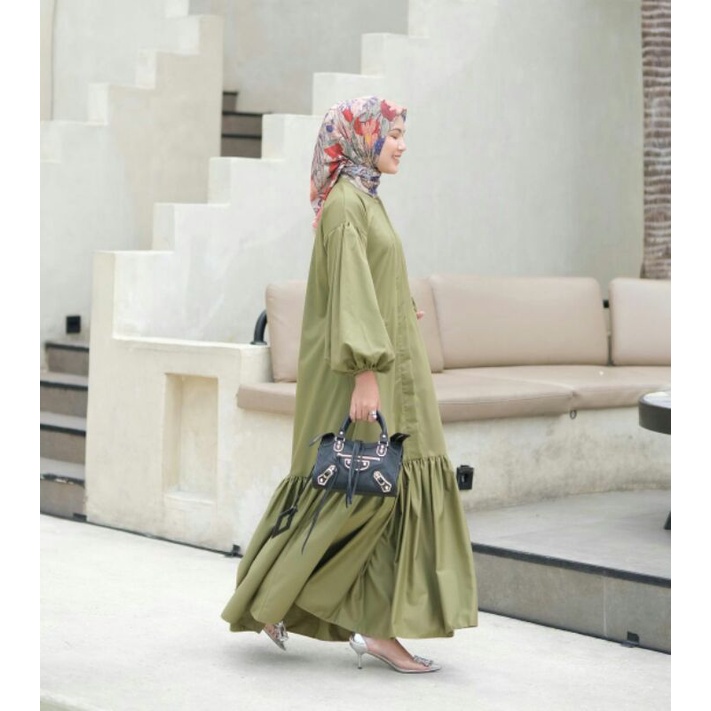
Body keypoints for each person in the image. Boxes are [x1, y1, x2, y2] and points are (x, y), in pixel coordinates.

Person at [221, 96, 478, 673]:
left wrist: (400, 305)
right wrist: (365, 375)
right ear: (364, 137)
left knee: (379, 492)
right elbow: (347, 291)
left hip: (392, 366)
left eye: (403, 133)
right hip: (366, 373)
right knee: (354, 490)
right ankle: (279, 599)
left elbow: (369, 275)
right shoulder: (345, 205)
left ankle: (370, 626)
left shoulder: (365, 196)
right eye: (394, 134)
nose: (403, 145)